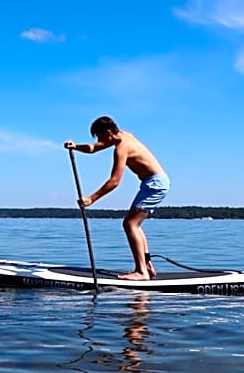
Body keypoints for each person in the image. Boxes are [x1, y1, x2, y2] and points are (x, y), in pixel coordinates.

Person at [64, 116, 170, 281]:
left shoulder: (121, 148)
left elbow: (114, 181)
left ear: (108, 133)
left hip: (154, 183)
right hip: (155, 182)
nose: (99, 141)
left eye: (100, 137)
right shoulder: (124, 135)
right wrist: (76, 147)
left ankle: (141, 272)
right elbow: (93, 148)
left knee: (130, 224)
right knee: (135, 224)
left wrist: (91, 199)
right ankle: (147, 266)